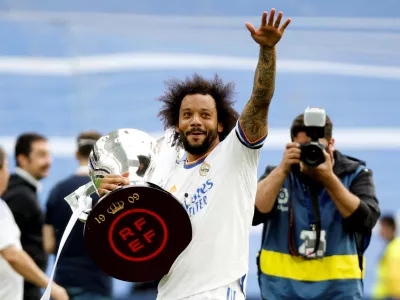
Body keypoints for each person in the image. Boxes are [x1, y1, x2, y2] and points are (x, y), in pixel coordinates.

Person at [96, 8, 291, 300]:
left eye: (205, 115)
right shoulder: (161, 171)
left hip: (217, 291)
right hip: (169, 293)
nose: (196, 121)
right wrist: (109, 195)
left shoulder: (236, 156)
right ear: (177, 124)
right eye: (187, 114)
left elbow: (260, 102)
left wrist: (267, 51)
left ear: (221, 122)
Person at [253, 111, 380, 299]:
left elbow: (365, 221)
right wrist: (282, 169)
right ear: (292, 146)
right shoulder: (278, 176)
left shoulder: (355, 175)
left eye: (317, 147)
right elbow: (252, 214)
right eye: (303, 147)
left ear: (332, 144)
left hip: (339, 294)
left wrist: (329, 178)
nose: (311, 153)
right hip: (281, 293)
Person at [43, 131, 113, 300]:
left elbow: (48, 244)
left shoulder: (57, 191)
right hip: (96, 284)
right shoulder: (107, 192)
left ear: (76, 154)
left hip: (62, 285)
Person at [0, 146, 69, 300]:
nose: (8, 174)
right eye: (5, 167)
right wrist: (52, 287)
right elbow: (12, 254)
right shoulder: (15, 200)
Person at [2, 132, 52, 300]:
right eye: (41, 155)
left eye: (48, 154)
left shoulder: (21, 191)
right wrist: (49, 285)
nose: (48, 161)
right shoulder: (20, 196)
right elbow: (10, 251)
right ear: (23, 159)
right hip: (23, 288)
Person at [373, 215, 400, 299]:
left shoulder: (395, 248)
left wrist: (397, 295)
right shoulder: (390, 247)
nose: (380, 231)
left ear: (391, 228)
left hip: (390, 296)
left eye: (382, 227)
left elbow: (395, 275)